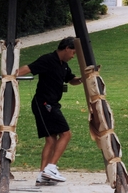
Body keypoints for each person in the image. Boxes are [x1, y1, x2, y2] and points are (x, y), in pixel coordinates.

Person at [17, 36, 82, 185]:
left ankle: (42, 176)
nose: (73, 56)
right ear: (67, 48)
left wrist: (84, 78)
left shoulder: (63, 65)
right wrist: (9, 76)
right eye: (73, 52)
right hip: (44, 103)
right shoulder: (48, 59)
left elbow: (71, 80)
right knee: (66, 134)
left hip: (52, 103)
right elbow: (28, 68)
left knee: (51, 140)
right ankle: (51, 168)